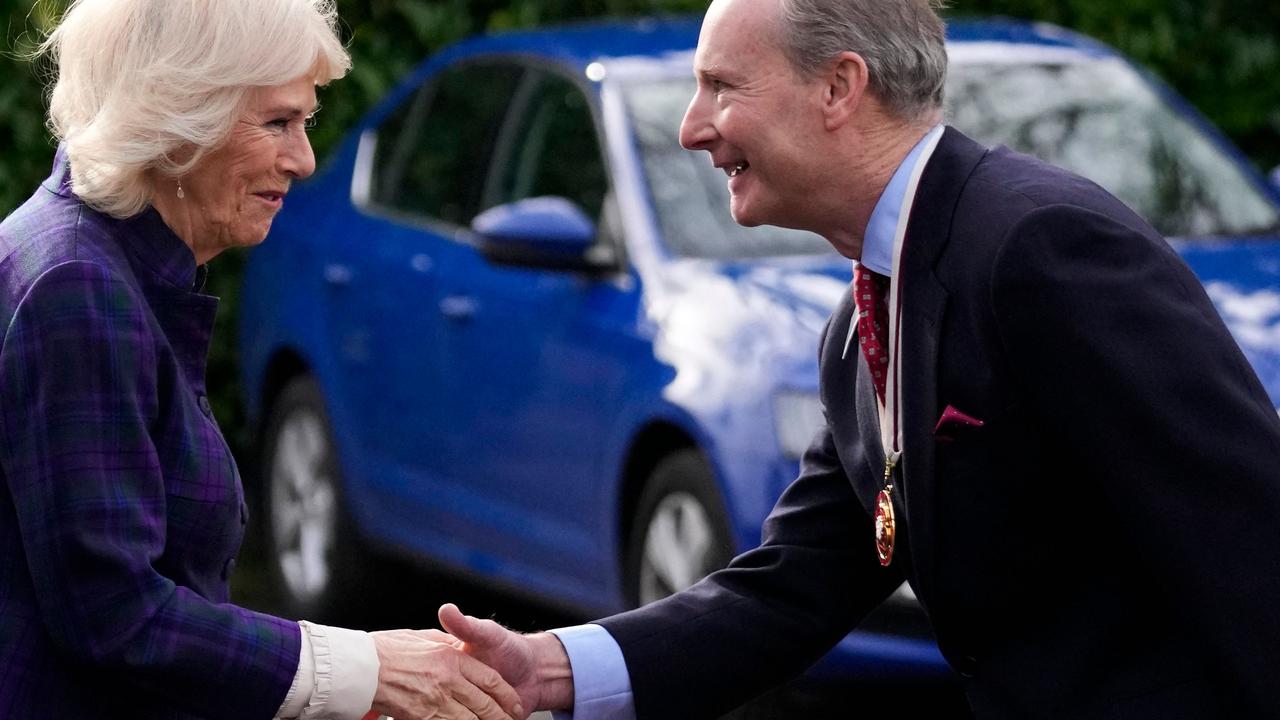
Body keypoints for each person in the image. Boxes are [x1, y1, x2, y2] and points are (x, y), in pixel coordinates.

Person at [436, 0, 1280, 717]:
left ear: (838, 87)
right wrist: (548, 667)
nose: (693, 129)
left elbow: (1247, 539)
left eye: (722, 87)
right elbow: (795, 586)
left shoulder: (1038, 245)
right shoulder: (863, 322)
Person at [0, 2, 523, 719]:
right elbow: (113, 618)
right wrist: (364, 671)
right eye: (277, 123)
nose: (304, 159)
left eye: (303, 123)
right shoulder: (76, 285)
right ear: (176, 117)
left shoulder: (112, 266)